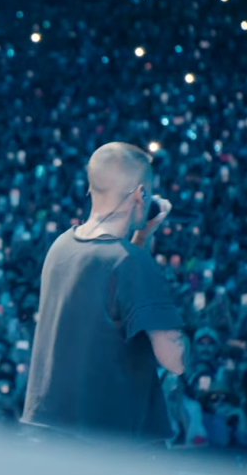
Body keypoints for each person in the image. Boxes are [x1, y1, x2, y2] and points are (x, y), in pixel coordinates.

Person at [22, 142, 189, 444]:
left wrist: (142, 236)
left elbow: (112, 284)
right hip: (114, 444)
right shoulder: (131, 263)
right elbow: (174, 360)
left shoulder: (60, 246)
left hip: (54, 434)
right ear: (140, 194)